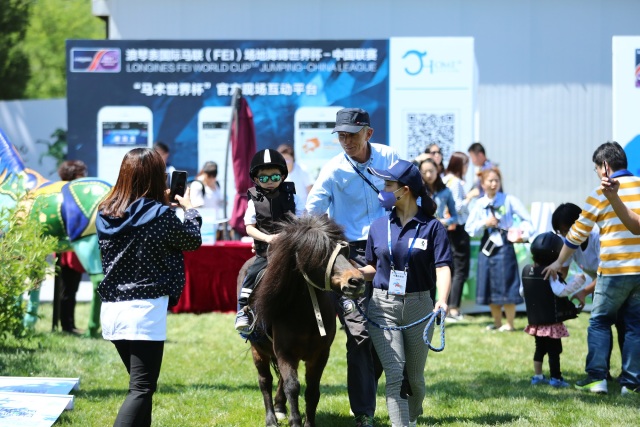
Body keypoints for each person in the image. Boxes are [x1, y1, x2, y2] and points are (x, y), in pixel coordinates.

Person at [96, 148, 202, 426]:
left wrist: (160, 204)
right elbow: (192, 240)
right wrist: (190, 211)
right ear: (158, 178)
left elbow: (136, 217)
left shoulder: (106, 212)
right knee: (141, 389)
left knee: (142, 388)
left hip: (112, 310)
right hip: (144, 309)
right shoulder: (159, 215)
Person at [306, 107, 398, 427]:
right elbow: (312, 213)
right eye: (340, 135)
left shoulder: (390, 158)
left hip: (389, 253)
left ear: (368, 133)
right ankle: (364, 413)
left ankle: (365, 391)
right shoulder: (332, 169)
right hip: (351, 258)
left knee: (386, 333)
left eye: (351, 134)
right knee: (358, 334)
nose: (345, 140)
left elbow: (411, 194)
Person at [360, 159, 451, 427]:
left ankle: (411, 415)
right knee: (395, 374)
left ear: (405, 189)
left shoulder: (433, 228)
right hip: (382, 306)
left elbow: (443, 267)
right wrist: (351, 274)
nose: (383, 190)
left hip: (420, 306)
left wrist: (442, 302)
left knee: (415, 379)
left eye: (388, 184)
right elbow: (371, 268)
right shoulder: (378, 227)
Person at [544, 141, 640, 395]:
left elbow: (575, 235)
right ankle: (631, 383)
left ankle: (597, 377)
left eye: (597, 169)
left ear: (605, 166)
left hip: (614, 271)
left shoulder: (599, 194)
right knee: (635, 325)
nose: (598, 174)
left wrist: (559, 261)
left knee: (599, 322)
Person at [234, 148, 305, 334]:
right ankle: (243, 310)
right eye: (264, 178)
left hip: (291, 249)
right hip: (266, 251)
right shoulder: (253, 200)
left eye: (274, 177)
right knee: (252, 273)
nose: (270, 182)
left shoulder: (292, 196)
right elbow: (249, 227)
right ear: (256, 180)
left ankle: (336, 302)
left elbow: (301, 220)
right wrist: (267, 238)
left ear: (282, 176)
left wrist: (289, 235)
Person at [552, 202, 625, 381]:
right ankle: (604, 373)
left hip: (619, 282)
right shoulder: (570, 244)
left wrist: (583, 292)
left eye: (565, 230)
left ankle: (628, 374)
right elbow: (563, 270)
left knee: (623, 328)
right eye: (560, 232)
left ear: (579, 224)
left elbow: (606, 273)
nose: (563, 236)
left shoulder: (598, 238)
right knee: (603, 329)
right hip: (600, 286)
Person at [465, 167, 533, 331]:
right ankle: (497, 323)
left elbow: (527, 220)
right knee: (489, 284)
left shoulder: (509, 200)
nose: (494, 184)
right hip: (487, 246)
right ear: (482, 183)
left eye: (497, 180)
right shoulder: (479, 204)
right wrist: (484, 223)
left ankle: (509, 324)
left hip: (505, 246)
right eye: (490, 180)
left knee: (508, 284)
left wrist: (520, 233)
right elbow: (469, 227)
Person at [521, 232, 583, 388]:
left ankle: (538, 376)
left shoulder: (528, 271)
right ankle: (556, 378)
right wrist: (577, 282)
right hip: (551, 323)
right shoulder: (550, 275)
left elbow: (522, 292)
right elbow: (561, 292)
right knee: (554, 351)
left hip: (536, 323)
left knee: (539, 349)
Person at [52, 160, 88, 334]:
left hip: (72, 247)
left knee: (71, 289)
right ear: (73, 175)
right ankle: (66, 326)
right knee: (67, 289)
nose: (84, 177)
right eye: (81, 173)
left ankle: (69, 324)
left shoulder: (67, 192)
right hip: (67, 248)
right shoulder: (67, 193)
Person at [442, 152, 473, 321]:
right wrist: (470, 196)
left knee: (451, 268)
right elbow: (457, 207)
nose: (467, 169)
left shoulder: (445, 179)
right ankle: (453, 308)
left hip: (448, 229)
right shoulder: (456, 182)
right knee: (460, 269)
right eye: (466, 165)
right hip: (458, 229)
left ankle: (448, 306)